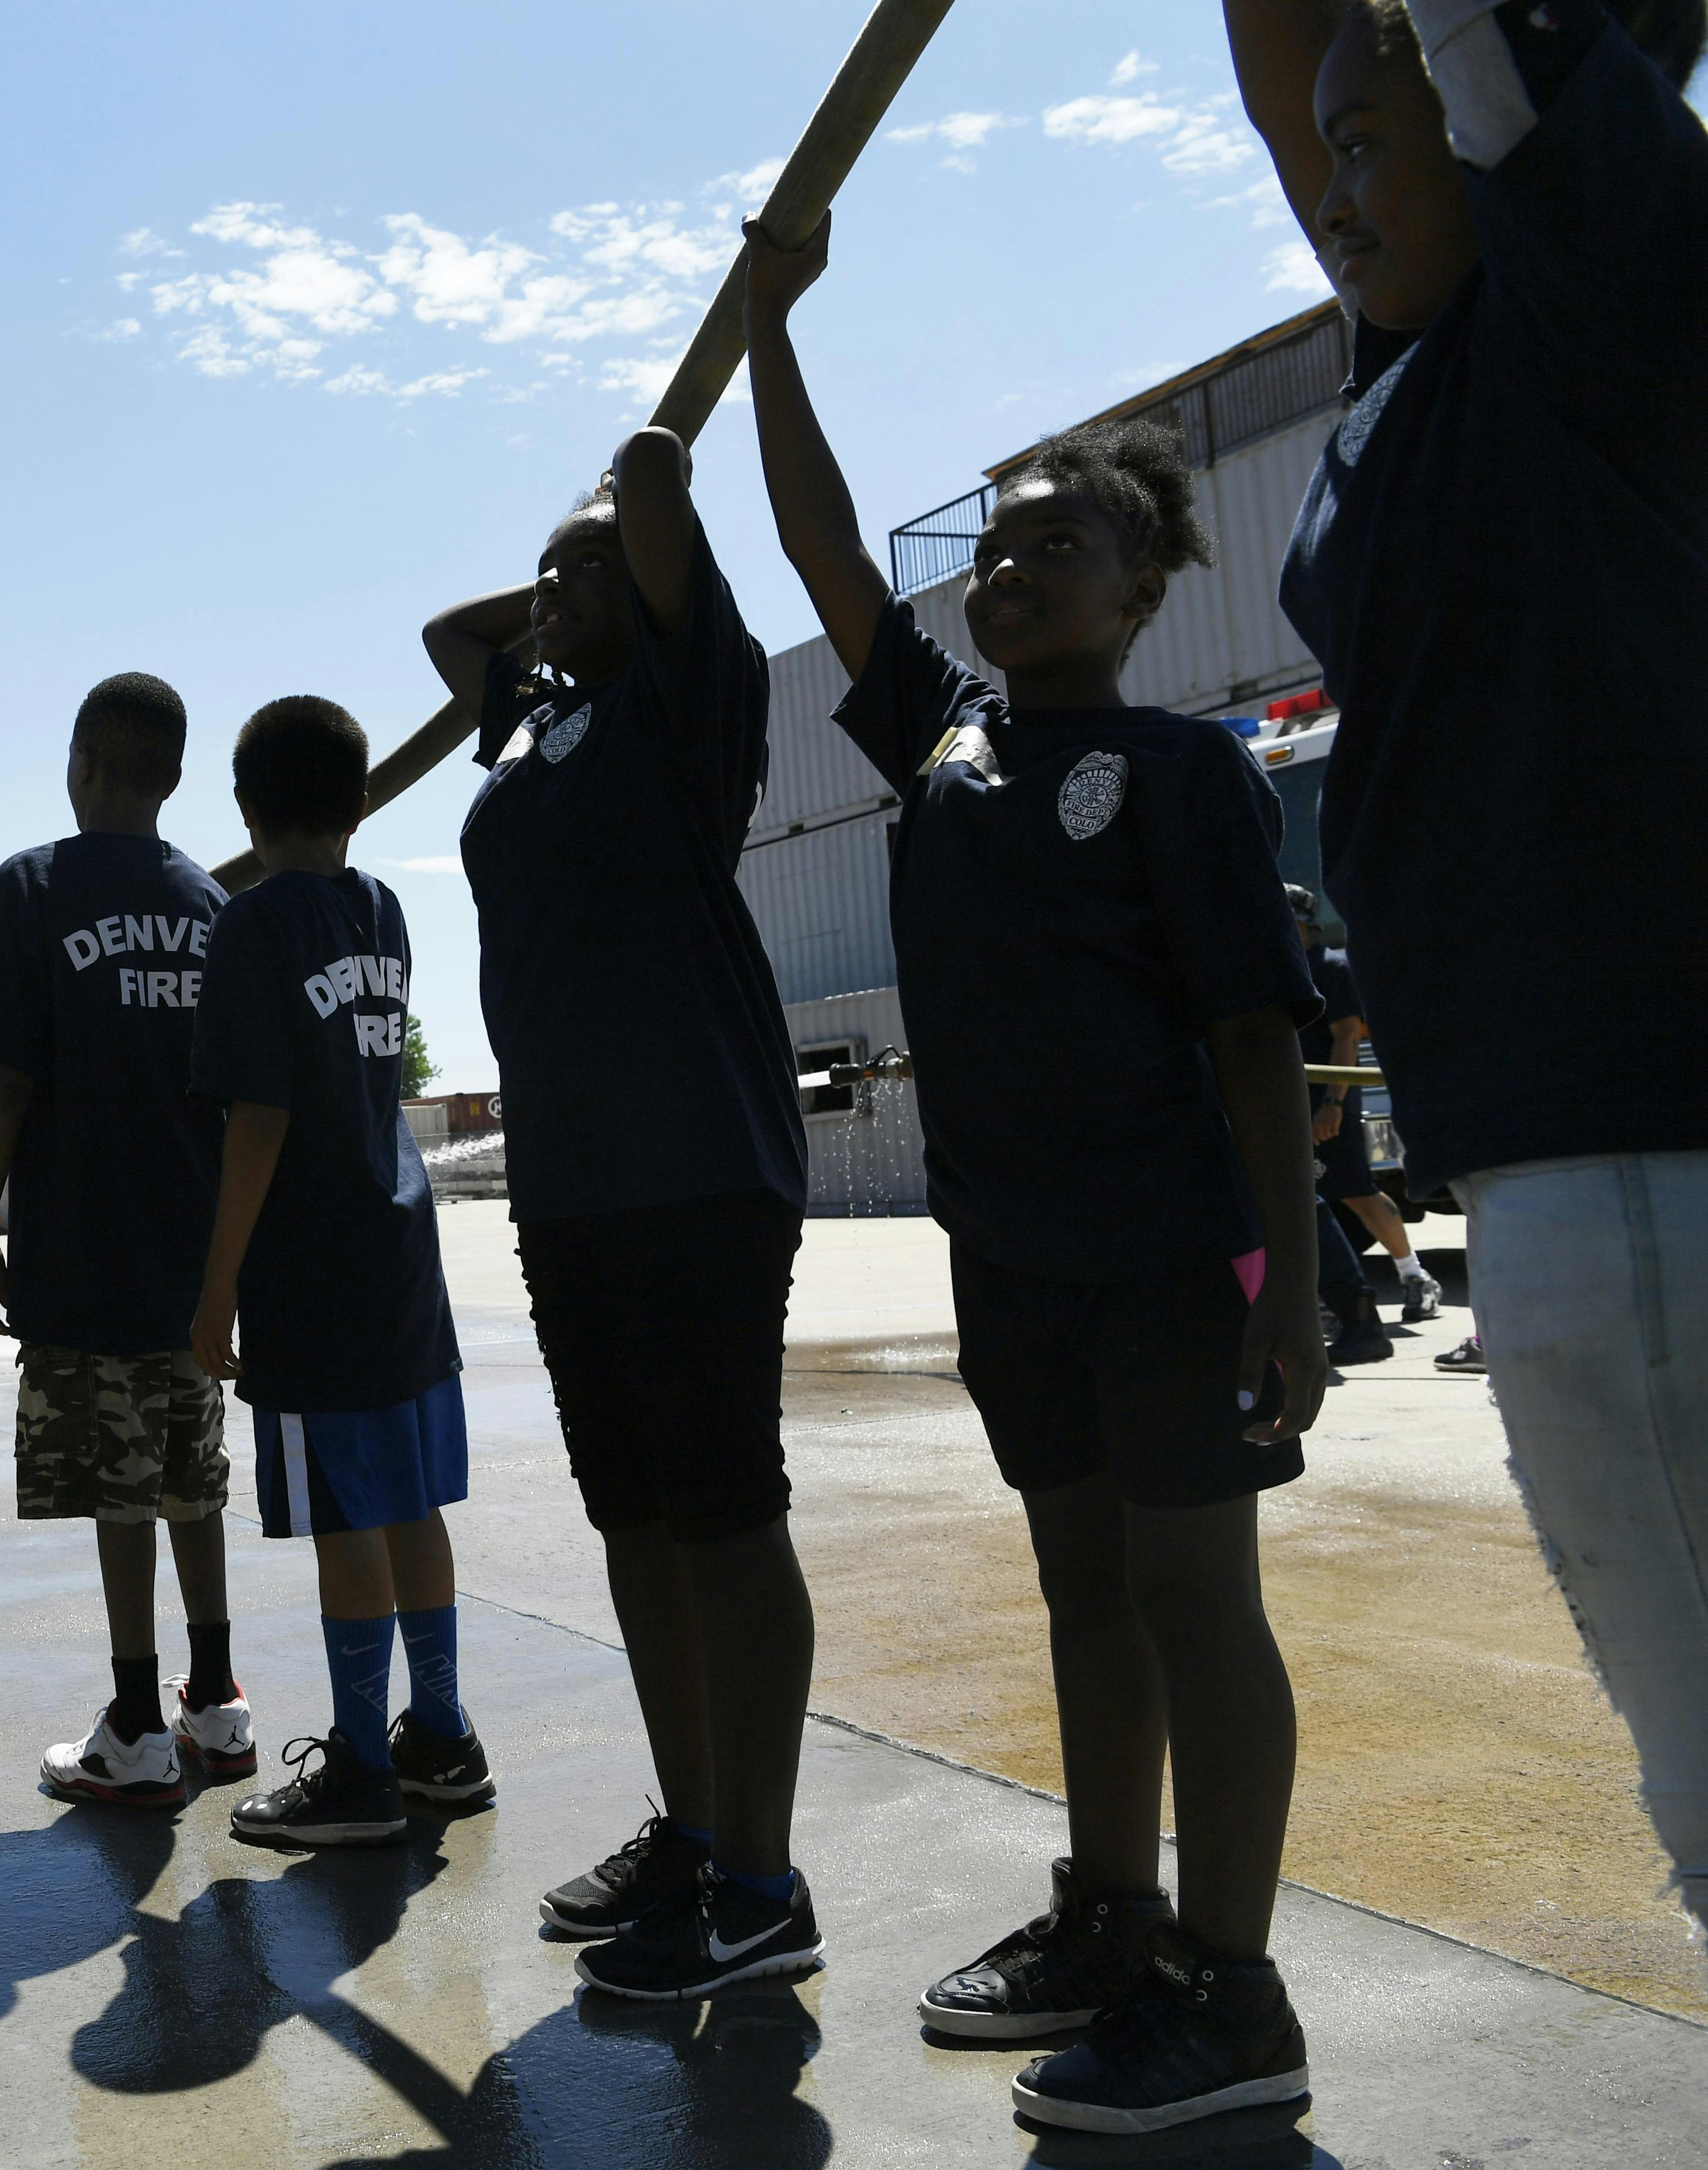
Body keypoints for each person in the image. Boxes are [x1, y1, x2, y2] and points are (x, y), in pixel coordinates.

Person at [746, 218, 1327, 2134]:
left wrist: (1296, 1287)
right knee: (1082, 1591)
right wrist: (766, 333)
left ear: (1147, 582)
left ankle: (1231, 1998)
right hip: (1007, 1257)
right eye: (992, 546)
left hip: (1171, 1255)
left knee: (1189, 1596)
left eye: (1052, 543)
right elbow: (829, 561)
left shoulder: (1180, 774)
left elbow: (1251, 1036)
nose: (1008, 569)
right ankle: (1111, 1917)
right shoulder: (944, 753)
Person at [1229, 0, 1708, 1935]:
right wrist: (1339, 100)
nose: (1324, 193)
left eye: (1370, 147)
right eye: (1326, 153)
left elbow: (1468, 67)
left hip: (1645, 1149)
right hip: (1537, 1161)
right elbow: (1289, 65)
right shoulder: (1409, 369)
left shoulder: (1589, 281)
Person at [421, 424, 820, 2001]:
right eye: (545, 569)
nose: (550, 586)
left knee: (726, 1515)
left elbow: (657, 468)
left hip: (699, 1163)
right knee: (636, 1521)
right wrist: (551, 601)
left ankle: (764, 1885)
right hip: (574, 1176)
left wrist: (618, 504)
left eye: (588, 564)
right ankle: (699, 1830)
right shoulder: (540, 723)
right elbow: (452, 642)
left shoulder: (688, 698)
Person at [0, 672, 251, 1809]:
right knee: (192, 1474)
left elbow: (8, 1079)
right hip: (194, 1257)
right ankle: (215, 1700)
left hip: (84, 1247)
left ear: (79, 764)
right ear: (174, 779)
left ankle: (134, 1721)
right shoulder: (212, 907)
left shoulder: (32, 888)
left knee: (122, 1485)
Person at [187, 697, 483, 1850]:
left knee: (346, 1518)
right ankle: (443, 1737)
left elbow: (257, 1115)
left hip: (312, 1265)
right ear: (361, 802)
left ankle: (363, 1763)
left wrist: (217, 1288)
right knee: (409, 1500)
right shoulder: (382, 909)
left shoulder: (253, 928)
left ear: (247, 808)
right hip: (402, 1248)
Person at [1285, 886, 1441, 1362]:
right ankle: (1324, 1296)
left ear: (1307, 924)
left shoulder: (1331, 967)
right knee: (1309, 1199)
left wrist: (1333, 1102)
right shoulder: (1284, 969)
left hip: (1332, 1099)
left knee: (1357, 1190)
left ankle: (1415, 1276)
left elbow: (1348, 1035)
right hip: (1294, 1101)